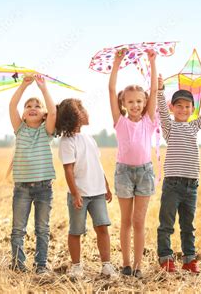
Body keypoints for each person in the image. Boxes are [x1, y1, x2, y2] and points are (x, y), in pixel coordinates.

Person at [156, 74, 201, 273]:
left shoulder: (194, 126)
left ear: (192, 110)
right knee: (166, 224)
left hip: (191, 185)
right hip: (172, 184)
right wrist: (160, 91)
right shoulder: (169, 127)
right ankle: (166, 258)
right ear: (172, 108)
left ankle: (189, 259)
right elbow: (161, 111)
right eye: (178, 106)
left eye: (187, 107)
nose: (183, 110)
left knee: (188, 226)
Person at [108, 49, 158, 278]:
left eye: (139, 101)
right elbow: (110, 89)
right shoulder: (120, 121)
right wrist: (117, 62)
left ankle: (138, 265)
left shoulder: (149, 120)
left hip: (145, 172)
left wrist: (152, 61)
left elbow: (155, 89)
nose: (135, 105)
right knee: (126, 220)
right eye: (131, 102)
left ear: (145, 102)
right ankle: (126, 264)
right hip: (124, 173)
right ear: (124, 103)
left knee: (139, 221)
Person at [56, 98, 118, 279]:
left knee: (102, 228)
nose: (87, 112)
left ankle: (106, 265)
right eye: (82, 109)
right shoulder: (67, 141)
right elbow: (68, 170)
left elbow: (96, 163)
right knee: (76, 231)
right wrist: (75, 193)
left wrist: (105, 184)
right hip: (80, 194)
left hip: (97, 193)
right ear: (75, 115)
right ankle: (76, 267)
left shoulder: (89, 138)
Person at [8, 74, 56, 275]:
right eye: (29, 106)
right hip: (21, 188)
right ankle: (18, 265)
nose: (33, 107)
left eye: (37, 105)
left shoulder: (47, 131)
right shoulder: (20, 129)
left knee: (42, 229)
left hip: (44, 188)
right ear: (24, 115)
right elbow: (12, 106)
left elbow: (54, 110)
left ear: (44, 114)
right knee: (18, 229)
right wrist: (24, 85)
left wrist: (43, 88)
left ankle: (41, 265)